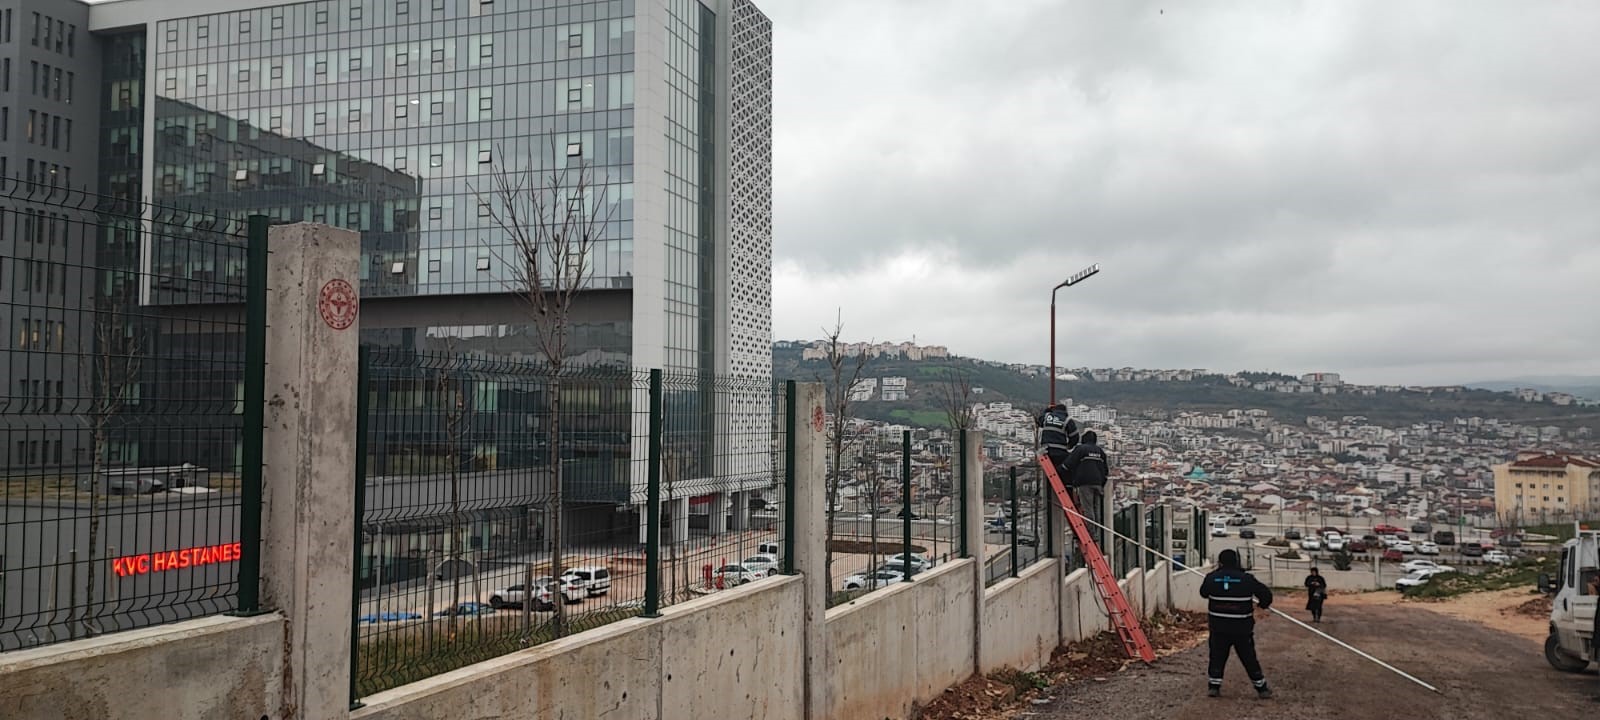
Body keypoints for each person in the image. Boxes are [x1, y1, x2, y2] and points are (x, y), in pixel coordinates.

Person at [1200, 549, 1274, 699]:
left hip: (1218, 627)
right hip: (1241, 627)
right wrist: (1262, 605)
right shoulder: (1247, 579)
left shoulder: (1211, 578)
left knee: (1217, 656)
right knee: (1248, 658)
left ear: (1220, 562)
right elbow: (1266, 595)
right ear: (1236, 561)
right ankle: (1262, 688)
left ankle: (1214, 686)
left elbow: (1203, 593)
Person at [1063, 430, 1109, 549]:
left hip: (1085, 483)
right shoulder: (1100, 451)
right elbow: (1106, 471)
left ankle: (1091, 534)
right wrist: (1101, 483)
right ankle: (1096, 532)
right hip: (1098, 483)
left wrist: (1059, 470)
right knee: (1095, 509)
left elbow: (1069, 463)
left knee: (1088, 508)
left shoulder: (1081, 449)